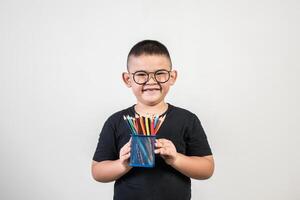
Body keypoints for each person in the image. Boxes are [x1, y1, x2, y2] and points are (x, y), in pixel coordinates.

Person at [91, 40, 214, 200]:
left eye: (160, 73)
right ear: (128, 79)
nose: (151, 81)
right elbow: (97, 172)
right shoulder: (116, 121)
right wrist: (124, 163)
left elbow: (207, 169)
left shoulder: (187, 119)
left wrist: (176, 159)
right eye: (141, 74)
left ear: (172, 77)